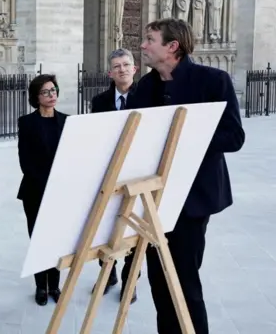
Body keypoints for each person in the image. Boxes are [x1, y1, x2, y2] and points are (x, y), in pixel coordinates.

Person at [127, 18, 245, 334]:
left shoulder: (213, 80)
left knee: (184, 284)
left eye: (150, 39)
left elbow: (234, 137)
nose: (143, 45)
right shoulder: (145, 88)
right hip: (153, 202)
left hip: (192, 202)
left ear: (172, 46)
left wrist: (185, 136)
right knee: (159, 285)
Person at [90, 48, 141, 303]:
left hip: (138, 173)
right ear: (110, 72)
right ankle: (107, 274)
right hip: (109, 174)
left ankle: (130, 279)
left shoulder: (148, 97)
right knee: (103, 225)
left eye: (126, 65)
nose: (122, 69)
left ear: (135, 68)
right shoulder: (99, 102)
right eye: (117, 66)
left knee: (135, 227)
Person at [16, 74, 67, 306]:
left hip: (59, 191)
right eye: (46, 91)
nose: (51, 94)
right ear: (36, 97)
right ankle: (40, 286)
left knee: (56, 239)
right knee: (38, 238)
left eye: (53, 90)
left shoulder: (66, 121)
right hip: (35, 190)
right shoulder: (26, 122)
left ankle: (55, 285)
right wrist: (46, 183)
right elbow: (25, 161)